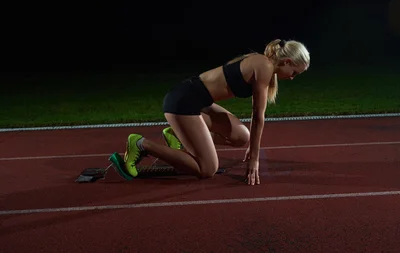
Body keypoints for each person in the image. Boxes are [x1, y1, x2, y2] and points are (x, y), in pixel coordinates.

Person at [121, 39, 310, 185]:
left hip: (200, 103)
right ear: (286, 61)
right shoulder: (264, 65)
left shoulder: (264, 64)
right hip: (183, 102)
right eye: (294, 73)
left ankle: (178, 137)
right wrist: (254, 158)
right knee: (207, 169)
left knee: (241, 136)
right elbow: (258, 115)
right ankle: (141, 144)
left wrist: (252, 148)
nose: (292, 78)